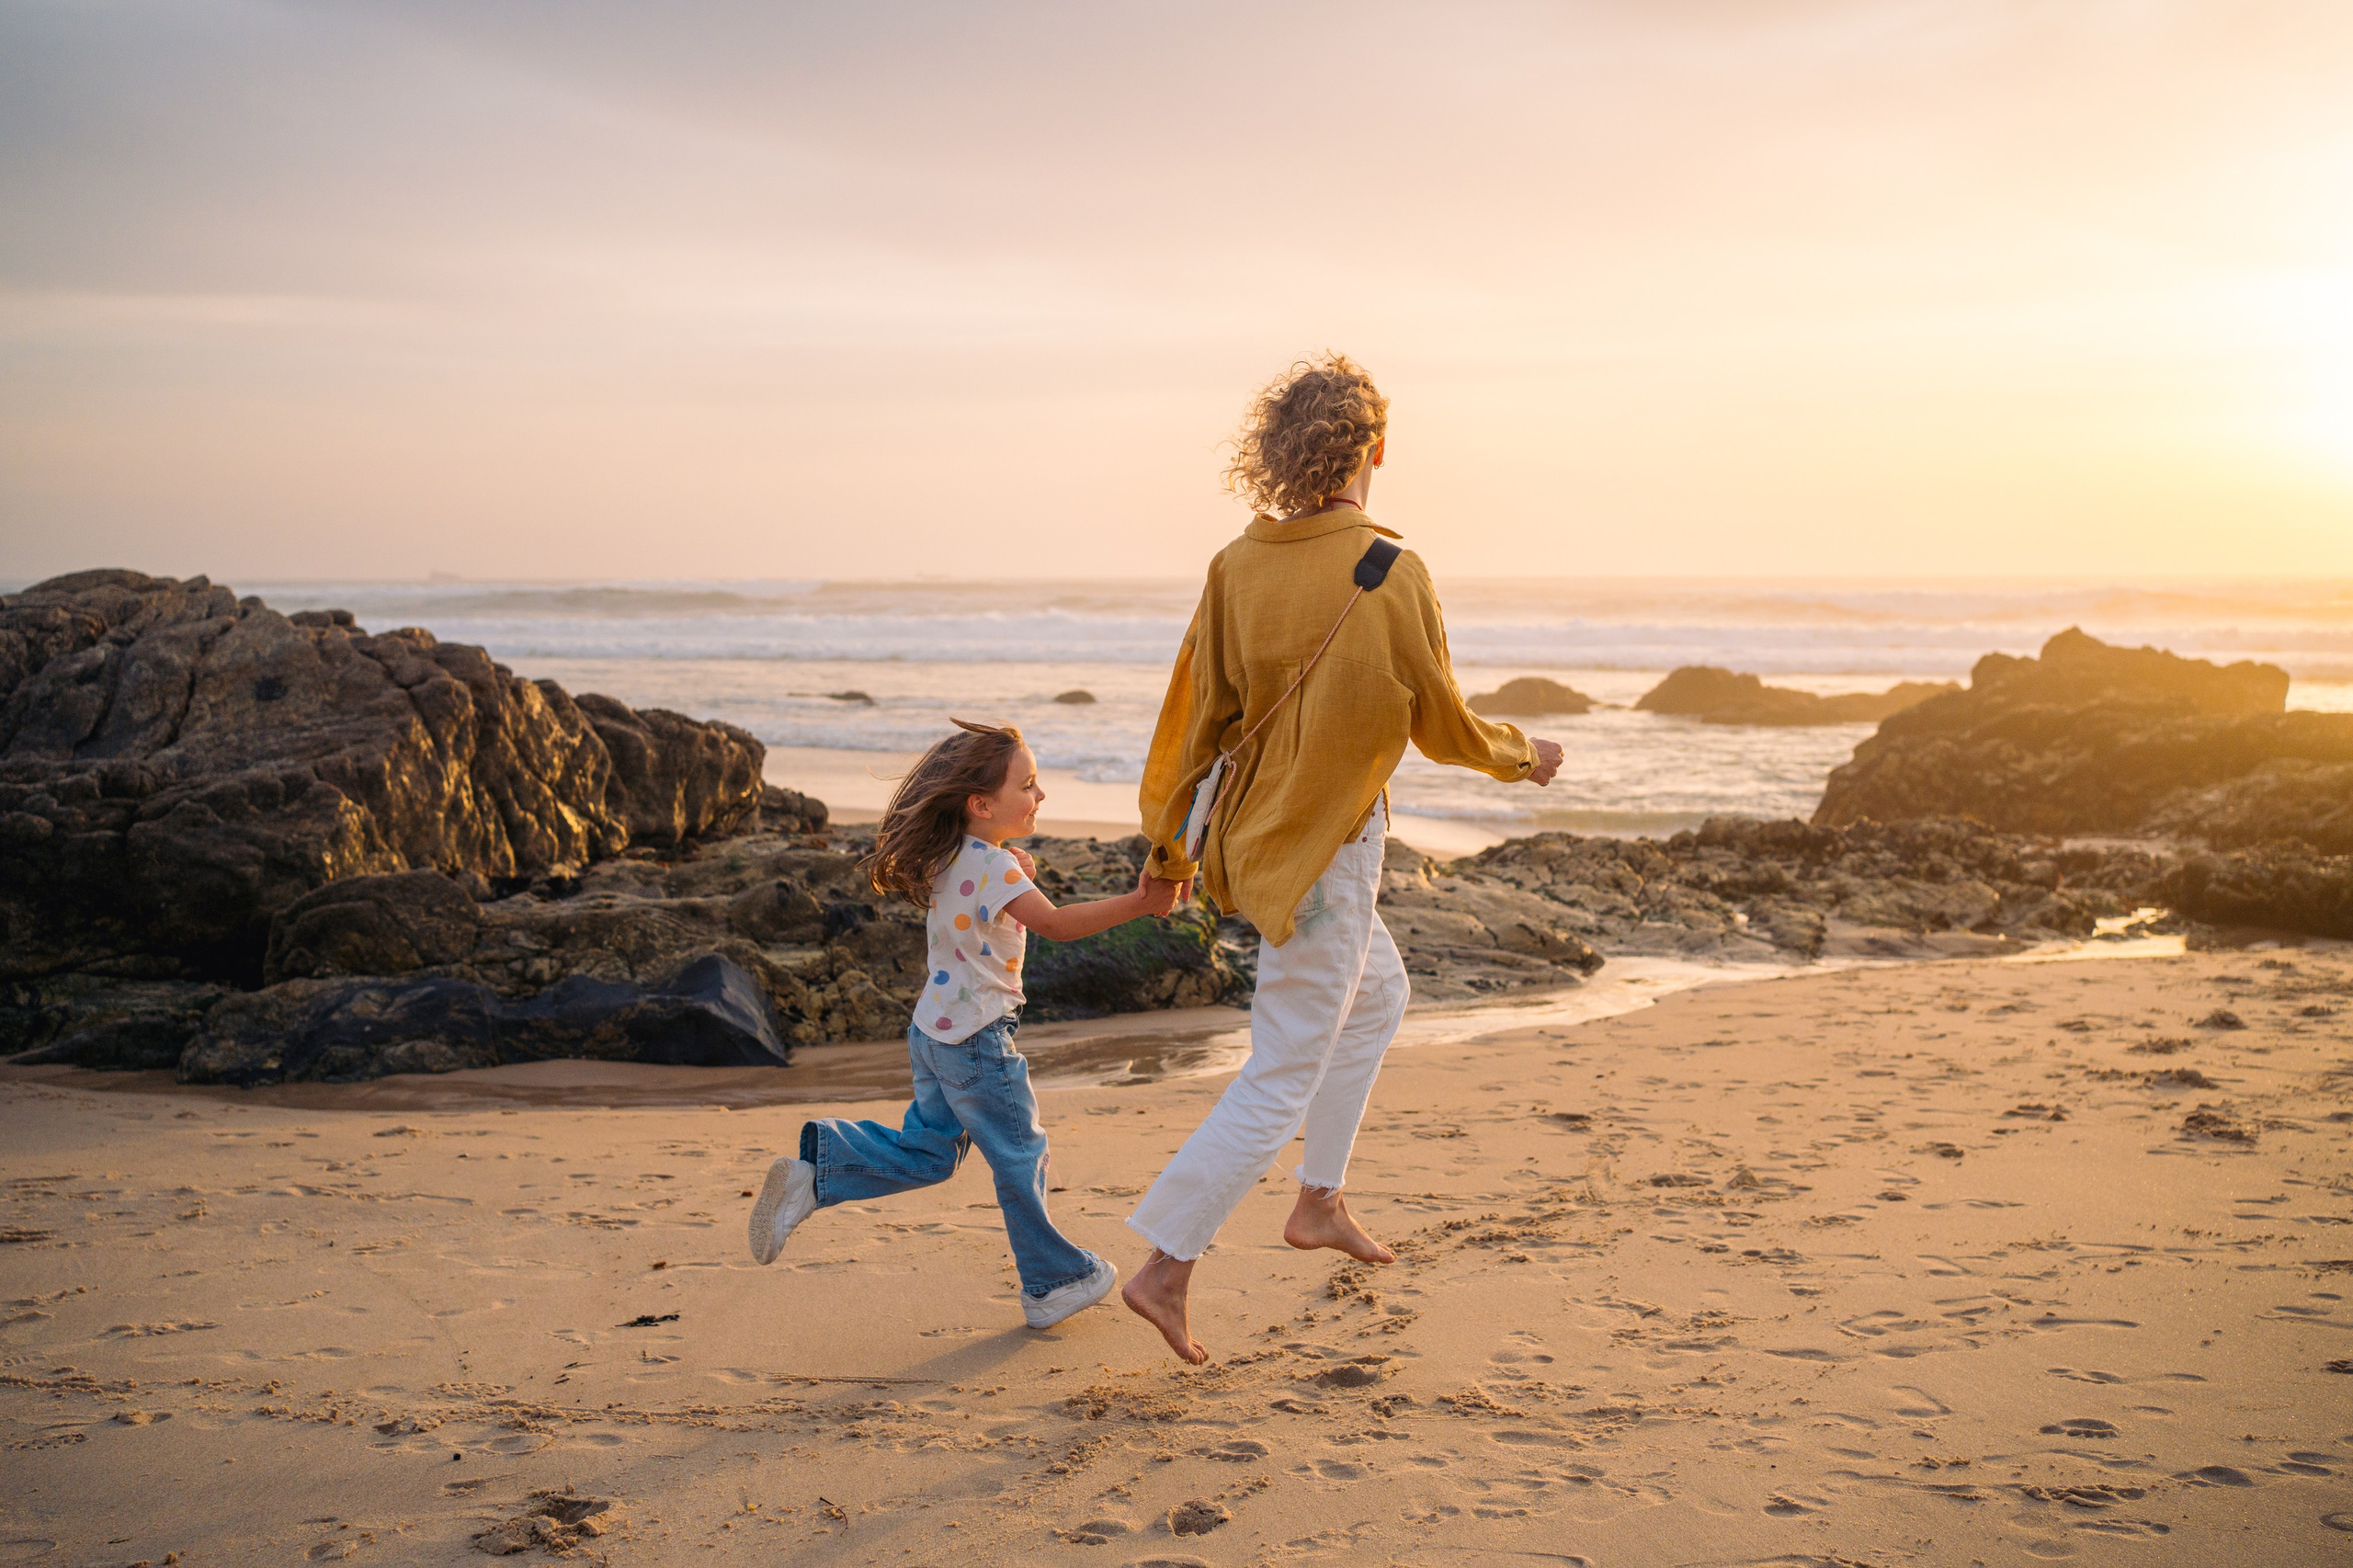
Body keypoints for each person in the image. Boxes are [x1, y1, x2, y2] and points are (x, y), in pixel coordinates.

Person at [1120, 354, 1564, 1362]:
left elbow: (1192, 722)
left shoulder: (1237, 565)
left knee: (1375, 997)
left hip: (1260, 839)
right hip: (1332, 852)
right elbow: (1442, 723)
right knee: (1281, 1068)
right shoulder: (1392, 569)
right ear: (1374, 448)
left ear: (1279, 451)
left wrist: (1165, 848)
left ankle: (1317, 1196)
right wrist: (1523, 755)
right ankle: (1166, 1263)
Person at [746, 720, 1181, 1329]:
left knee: (929, 1153)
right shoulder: (998, 870)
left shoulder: (948, 857)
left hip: (933, 1032)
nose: (1041, 795)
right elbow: (1055, 925)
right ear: (981, 804)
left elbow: (985, 889)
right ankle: (1054, 1281)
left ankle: (817, 1173)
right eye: (1028, 785)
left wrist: (1012, 861)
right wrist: (1141, 903)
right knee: (1019, 1153)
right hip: (977, 1039)